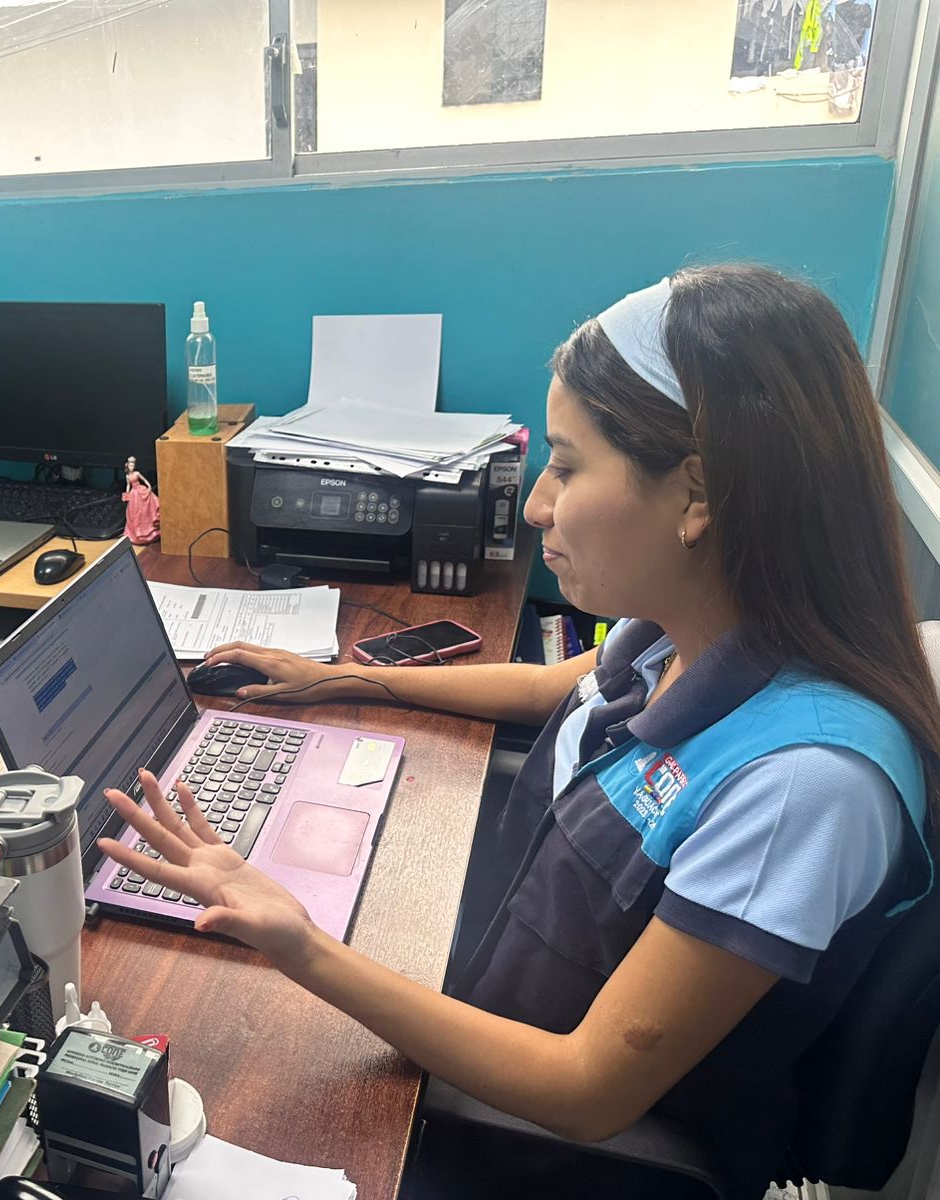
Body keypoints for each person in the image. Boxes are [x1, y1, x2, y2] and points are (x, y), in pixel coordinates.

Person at [99, 265, 940, 1196]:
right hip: (487, 1000)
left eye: (568, 467)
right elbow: (552, 688)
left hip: (534, 1154)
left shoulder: (802, 785)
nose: (538, 505)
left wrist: (300, 942)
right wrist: (340, 679)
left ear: (698, 497)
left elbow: (585, 1090)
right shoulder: (685, 632)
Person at [123, 454, 160, 544]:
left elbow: (144, 480)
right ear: (128, 466)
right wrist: (127, 493)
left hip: (141, 490)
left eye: (133, 465)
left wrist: (149, 486)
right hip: (134, 493)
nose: (132, 467)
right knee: (134, 512)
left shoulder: (137, 473)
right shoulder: (127, 476)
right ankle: (136, 534)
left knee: (145, 509)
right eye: (130, 466)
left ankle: (148, 531)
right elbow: (128, 485)